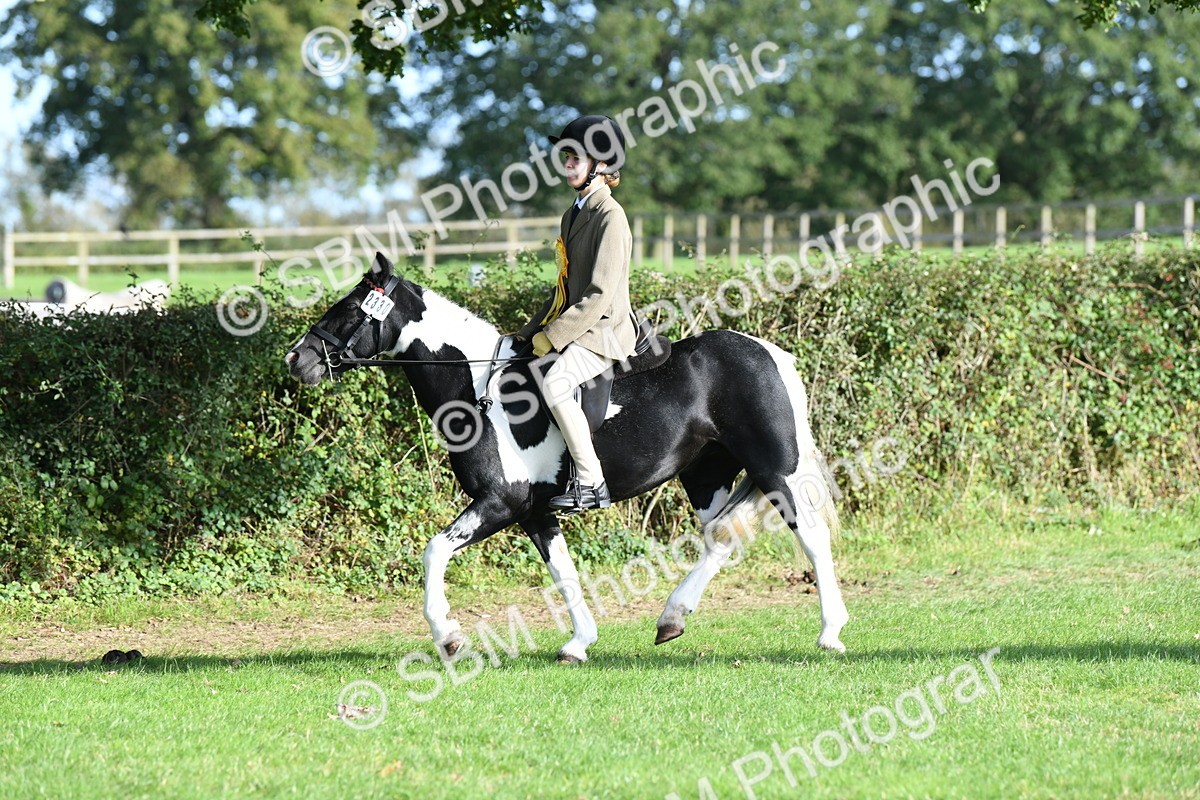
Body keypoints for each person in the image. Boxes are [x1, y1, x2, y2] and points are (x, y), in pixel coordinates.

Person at [515, 115, 639, 512]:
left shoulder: (611, 217)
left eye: (575, 158)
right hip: (577, 325)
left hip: (604, 331)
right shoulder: (573, 214)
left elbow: (600, 294)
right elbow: (565, 287)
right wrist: (528, 331)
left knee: (554, 385)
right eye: (566, 156)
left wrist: (553, 337)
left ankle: (591, 482)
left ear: (601, 166)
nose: (567, 164)